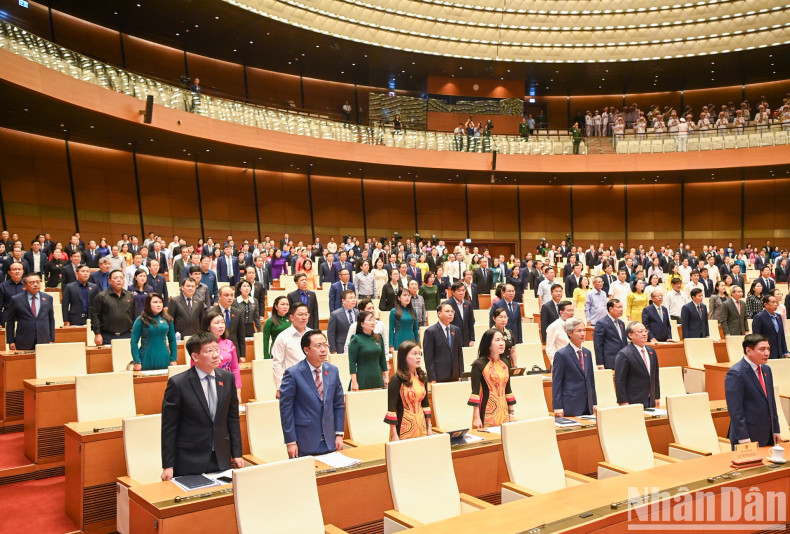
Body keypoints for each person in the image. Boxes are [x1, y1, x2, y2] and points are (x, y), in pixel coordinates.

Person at [160, 331, 243, 479]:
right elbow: (169, 427)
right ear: (195, 357)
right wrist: (168, 465)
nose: (216, 355)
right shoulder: (178, 384)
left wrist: (237, 453)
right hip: (189, 460)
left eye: (217, 350)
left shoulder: (227, 378)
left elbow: (232, 418)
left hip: (221, 457)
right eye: (209, 351)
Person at [279, 330, 345, 457]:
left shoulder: (333, 371)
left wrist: (339, 434)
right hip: (304, 441)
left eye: (325, 345)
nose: (323, 349)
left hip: (330, 440)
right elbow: (286, 410)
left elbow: (338, 405)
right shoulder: (293, 374)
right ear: (306, 350)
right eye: (318, 346)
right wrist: (291, 441)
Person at [724, 334, 782, 447]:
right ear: (748, 350)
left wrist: (776, 429)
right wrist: (743, 437)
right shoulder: (736, 373)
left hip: (768, 434)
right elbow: (735, 410)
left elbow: (771, 402)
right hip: (747, 436)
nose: (767, 353)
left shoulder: (766, 370)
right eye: (762, 349)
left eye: (768, 349)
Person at [385, 340, 432, 440]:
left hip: (422, 426)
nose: (418, 357)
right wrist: (394, 435)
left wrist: (429, 427)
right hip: (403, 429)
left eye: (419, 353)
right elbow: (391, 410)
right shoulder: (396, 379)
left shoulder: (422, 376)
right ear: (404, 357)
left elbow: (426, 404)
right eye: (414, 354)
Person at [469, 328, 516, 428]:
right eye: (497, 340)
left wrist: (511, 413)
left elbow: (508, 389)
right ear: (489, 345)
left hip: (504, 411)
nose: (502, 343)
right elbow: (475, 393)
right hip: (486, 411)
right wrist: (476, 417)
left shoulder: (506, 363)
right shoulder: (479, 364)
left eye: (503, 340)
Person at [552, 318, 596, 417]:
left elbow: (590, 380)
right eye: (579, 331)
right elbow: (557, 383)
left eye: (584, 330)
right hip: (571, 404)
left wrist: (594, 402)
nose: (583, 334)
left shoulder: (587, 353)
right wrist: (557, 407)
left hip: (587, 404)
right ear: (570, 333)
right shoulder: (561, 354)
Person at [614, 322, 660, 409]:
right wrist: (623, 401)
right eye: (640, 332)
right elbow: (620, 380)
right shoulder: (624, 354)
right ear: (630, 335)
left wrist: (656, 396)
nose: (644, 334)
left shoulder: (652, 352)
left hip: (651, 400)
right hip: (633, 400)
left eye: (645, 331)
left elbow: (655, 376)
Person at [200, 309, 242, 403]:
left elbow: (235, 368)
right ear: (208, 327)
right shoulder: (200, 345)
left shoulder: (229, 343)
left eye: (222, 322)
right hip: (208, 385)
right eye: (217, 323)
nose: (221, 325)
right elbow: (195, 369)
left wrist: (238, 389)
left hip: (227, 385)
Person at [6, 273, 55, 351]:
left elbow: (51, 320)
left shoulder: (48, 298)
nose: (35, 285)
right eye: (32, 282)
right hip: (23, 340)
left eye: (38, 282)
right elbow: (10, 322)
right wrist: (11, 341)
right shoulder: (16, 299)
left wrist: (52, 339)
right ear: (25, 285)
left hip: (43, 340)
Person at [130, 293, 177, 371]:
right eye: (155, 302)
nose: (158, 305)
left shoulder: (168, 319)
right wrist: (136, 361)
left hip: (164, 356)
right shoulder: (141, 319)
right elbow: (134, 342)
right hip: (146, 357)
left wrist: (174, 359)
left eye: (160, 302)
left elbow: (172, 340)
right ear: (148, 304)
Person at [271, 302, 311, 393]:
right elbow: (277, 363)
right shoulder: (283, 337)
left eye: (306, 314)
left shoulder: (313, 335)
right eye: (300, 315)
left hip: (312, 381)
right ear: (291, 317)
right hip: (292, 383)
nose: (304, 317)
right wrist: (279, 387)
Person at [91, 270, 136, 346]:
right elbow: (95, 316)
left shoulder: (130, 296)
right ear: (109, 280)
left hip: (127, 335)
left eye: (121, 278)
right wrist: (97, 334)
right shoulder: (101, 296)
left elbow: (135, 315)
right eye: (115, 278)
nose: (119, 280)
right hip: (107, 336)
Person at [422, 301, 464, 382]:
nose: (450, 314)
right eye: (447, 311)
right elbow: (428, 358)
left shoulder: (456, 330)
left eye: (452, 311)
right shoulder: (430, 331)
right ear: (439, 313)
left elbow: (459, 354)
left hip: (454, 375)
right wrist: (432, 377)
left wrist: (460, 373)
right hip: (438, 376)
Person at [348, 310, 388, 391]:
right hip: (362, 379)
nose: (373, 322)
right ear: (362, 323)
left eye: (373, 320)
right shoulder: (356, 339)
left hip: (377, 377)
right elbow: (352, 363)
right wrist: (354, 382)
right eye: (369, 320)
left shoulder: (378, 337)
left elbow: (382, 359)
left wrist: (386, 377)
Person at [211, 286, 247, 363]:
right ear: (219, 296)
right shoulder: (212, 313)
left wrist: (242, 355)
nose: (230, 298)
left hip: (234, 350)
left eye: (231, 295)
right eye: (226, 295)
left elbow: (241, 335)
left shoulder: (238, 313)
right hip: (217, 351)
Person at [751, 294, 788, 359]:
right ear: (766, 304)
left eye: (776, 302)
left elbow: (781, 335)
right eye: (773, 302)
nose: (776, 304)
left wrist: (785, 351)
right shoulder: (759, 317)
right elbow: (756, 336)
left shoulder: (778, 316)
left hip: (779, 351)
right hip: (765, 352)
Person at [593, 299, 627, 370]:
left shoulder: (621, 323)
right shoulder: (601, 323)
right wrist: (600, 363)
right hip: (610, 361)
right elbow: (598, 345)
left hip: (623, 360)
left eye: (622, 307)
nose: (621, 309)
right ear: (610, 309)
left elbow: (624, 342)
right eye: (618, 307)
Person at [443, 281, 475, 347]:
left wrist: (472, 339)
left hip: (466, 339)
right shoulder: (446, 304)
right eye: (459, 291)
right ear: (453, 292)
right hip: (452, 338)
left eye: (463, 290)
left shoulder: (468, 304)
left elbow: (471, 323)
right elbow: (444, 322)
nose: (461, 293)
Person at [389, 288, 419, 355]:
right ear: (399, 298)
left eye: (408, 295)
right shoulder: (393, 311)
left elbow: (415, 329)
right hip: (399, 339)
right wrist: (391, 345)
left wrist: (418, 343)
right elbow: (391, 330)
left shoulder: (413, 311)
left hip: (411, 338)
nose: (407, 297)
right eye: (404, 295)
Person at [327, 290, 358, 354]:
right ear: (343, 300)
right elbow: (331, 334)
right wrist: (333, 350)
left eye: (354, 297)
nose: (354, 300)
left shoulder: (358, 313)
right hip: (340, 347)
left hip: (356, 347)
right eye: (350, 298)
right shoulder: (335, 314)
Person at [545, 301, 574, 365]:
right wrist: (556, 363)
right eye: (569, 311)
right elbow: (549, 348)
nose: (572, 313)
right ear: (561, 312)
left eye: (572, 310)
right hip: (562, 361)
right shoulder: (554, 326)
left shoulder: (574, 324)